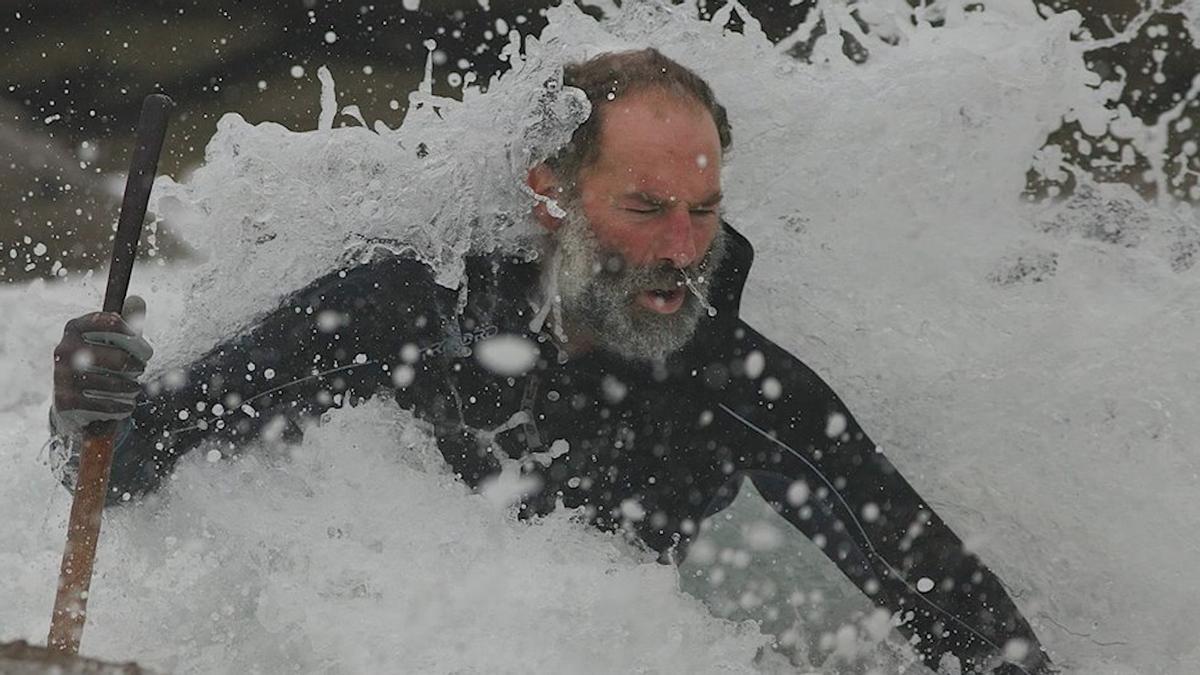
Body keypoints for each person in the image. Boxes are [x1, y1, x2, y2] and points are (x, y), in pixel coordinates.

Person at [49, 49, 1052, 674]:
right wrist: (86, 404)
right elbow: (130, 463)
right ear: (551, 194)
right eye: (646, 208)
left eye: (703, 213)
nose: (678, 250)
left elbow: (954, 609)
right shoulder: (409, 313)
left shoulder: (734, 381)